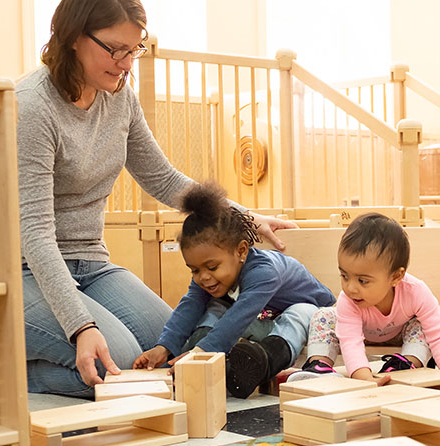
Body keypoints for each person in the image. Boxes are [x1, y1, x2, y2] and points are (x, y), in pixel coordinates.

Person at [16, 0, 294, 398]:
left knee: (169, 350)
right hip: (27, 269)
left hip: (91, 264)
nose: (127, 63)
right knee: (122, 362)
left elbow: (163, 179)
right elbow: (37, 233)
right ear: (73, 38)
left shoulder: (119, 97)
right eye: (115, 49)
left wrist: (245, 216)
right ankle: (15, 377)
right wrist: (81, 325)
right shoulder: (32, 106)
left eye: (134, 49)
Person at [133, 182, 336, 398]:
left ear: (240, 251)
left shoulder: (265, 272)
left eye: (212, 267)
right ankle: (203, 349)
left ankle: (262, 361)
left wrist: (201, 353)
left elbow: (239, 318)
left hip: (310, 323)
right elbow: (189, 305)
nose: (203, 276)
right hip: (263, 320)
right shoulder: (208, 274)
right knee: (215, 304)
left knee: (301, 312)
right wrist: (163, 348)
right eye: (194, 270)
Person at [288, 213, 440, 384]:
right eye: (344, 276)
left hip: (399, 333)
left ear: (395, 277)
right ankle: (319, 366)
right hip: (358, 330)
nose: (350, 288)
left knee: (422, 326)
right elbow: (350, 340)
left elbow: (439, 332)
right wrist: (364, 377)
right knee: (323, 316)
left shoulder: (415, 291)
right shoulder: (348, 300)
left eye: (363, 281)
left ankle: (406, 364)